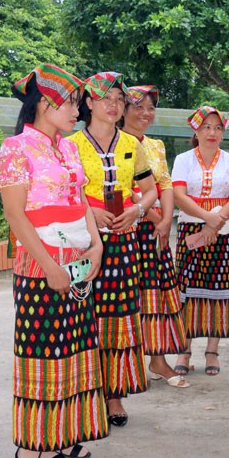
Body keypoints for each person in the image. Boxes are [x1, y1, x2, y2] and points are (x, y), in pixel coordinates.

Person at [0, 64, 108, 458]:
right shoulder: (16, 148)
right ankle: (33, 446)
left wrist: (95, 247)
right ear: (45, 103)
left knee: (75, 346)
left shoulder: (70, 148)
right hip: (42, 264)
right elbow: (16, 216)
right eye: (73, 104)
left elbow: (82, 202)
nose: (78, 112)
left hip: (77, 258)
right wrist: (49, 267)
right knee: (43, 350)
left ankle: (65, 433)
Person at [69, 72, 158, 426]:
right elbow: (61, 194)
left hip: (123, 241)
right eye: (106, 98)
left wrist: (137, 209)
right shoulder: (70, 144)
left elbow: (149, 189)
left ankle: (114, 395)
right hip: (82, 240)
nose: (114, 105)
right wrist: (89, 211)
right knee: (82, 314)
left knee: (119, 315)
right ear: (88, 102)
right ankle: (85, 394)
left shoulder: (132, 144)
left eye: (120, 100)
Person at [122, 85, 189, 387]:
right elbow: (125, 191)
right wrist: (153, 216)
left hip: (155, 230)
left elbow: (165, 185)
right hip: (125, 227)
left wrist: (165, 223)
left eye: (150, 108)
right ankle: (126, 367)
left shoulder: (156, 145)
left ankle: (158, 361)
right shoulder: (113, 142)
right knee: (128, 298)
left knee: (157, 296)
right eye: (138, 107)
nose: (145, 114)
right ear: (123, 109)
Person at [171, 106, 229, 375]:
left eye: (217, 127)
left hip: (223, 229)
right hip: (191, 227)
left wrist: (216, 221)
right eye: (206, 127)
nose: (212, 132)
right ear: (196, 131)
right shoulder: (183, 159)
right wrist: (206, 219)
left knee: (218, 289)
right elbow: (179, 195)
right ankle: (184, 351)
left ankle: (212, 351)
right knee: (187, 289)